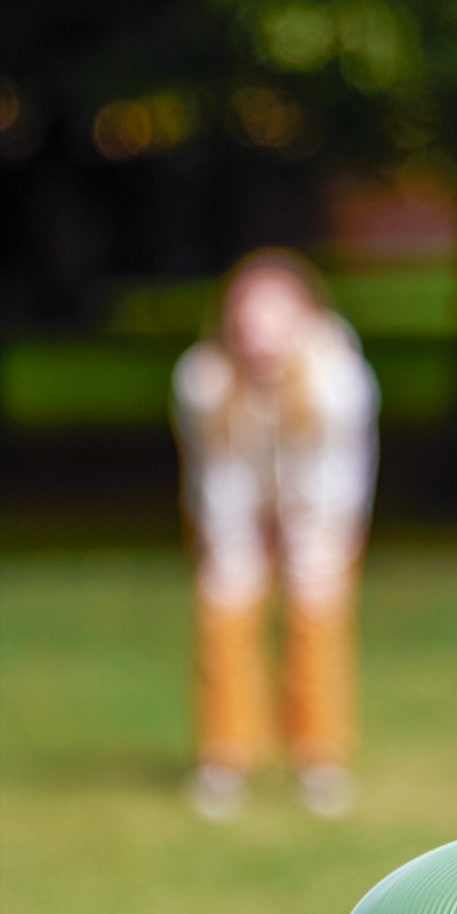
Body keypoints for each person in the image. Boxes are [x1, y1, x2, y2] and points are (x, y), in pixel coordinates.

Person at [173, 249, 379, 820]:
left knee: (317, 618)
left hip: (320, 511)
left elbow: (337, 473)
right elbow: (216, 473)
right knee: (224, 611)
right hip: (234, 509)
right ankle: (225, 758)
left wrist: (305, 535)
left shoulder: (338, 378)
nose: (259, 333)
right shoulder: (203, 380)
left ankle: (319, 759)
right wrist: (238, 541)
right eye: (248, 316)